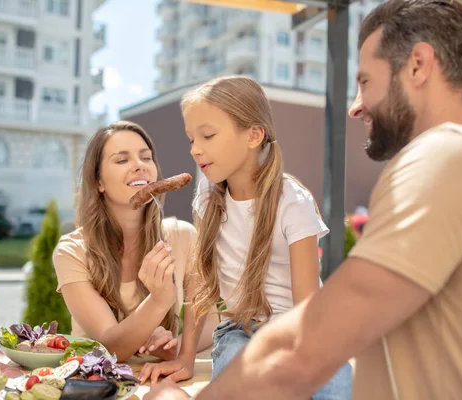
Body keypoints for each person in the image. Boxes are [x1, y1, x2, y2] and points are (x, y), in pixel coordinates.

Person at [145, 0, 462, 399]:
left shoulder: (449, 157)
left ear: (418, 65)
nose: (356, 106)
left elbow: (308, 342)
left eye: (365, 82)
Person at [139, 76, 353, 399]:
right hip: (239, 331)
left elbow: (307, 309)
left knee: (334, 388)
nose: (195, 149)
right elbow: (199, 281)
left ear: (254, 135)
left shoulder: (292, 202)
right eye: (191, 139)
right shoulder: (208, 197)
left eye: (208, 135)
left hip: (304, 330)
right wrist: (186, 357)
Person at [52, 121, 218, 362]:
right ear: (98, 182)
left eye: (146, 158)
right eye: (122, 160)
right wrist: (159, 301)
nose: (140, 166)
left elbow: (211, 320)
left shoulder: (183, 236)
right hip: (101, 384)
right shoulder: (72, 251)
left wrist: (175, 347)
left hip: (163, 379)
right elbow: (110, 346)